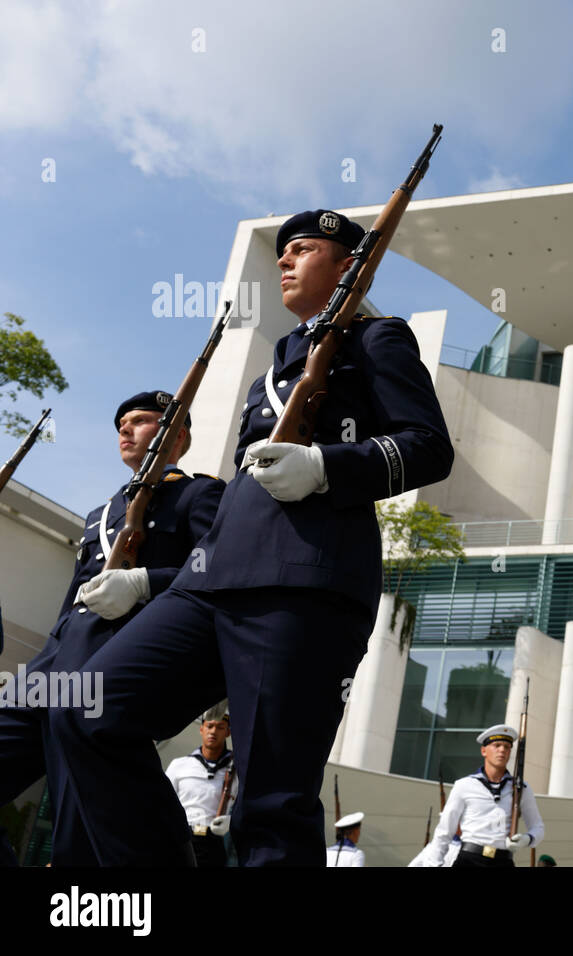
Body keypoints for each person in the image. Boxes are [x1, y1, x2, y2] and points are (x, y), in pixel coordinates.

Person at [51, 209, 455, 865]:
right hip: (209, 582)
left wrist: (328, 467)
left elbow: (429, 448)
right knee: (88, 716)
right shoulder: (280, 359)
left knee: (272, 802)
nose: (284, 262)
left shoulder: (377, 339)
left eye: (302, 249)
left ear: (348, 262)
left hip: (300, 583)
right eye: (281, 253)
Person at [0, 391, 223, 865]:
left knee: (80, 813)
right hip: (53, 668)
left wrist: (146, 582)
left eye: (141, 421)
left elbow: (217, 567)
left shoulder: (198, 494)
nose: (125, 429)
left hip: (111, 665)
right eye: (121, 423)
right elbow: (74, 601)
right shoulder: (100, 514)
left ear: (177, 435)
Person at [427, 725, 543, 868]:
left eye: (507, 747)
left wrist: (527, 839)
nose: (502, 750)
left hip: (503, 861)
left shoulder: (521, 789)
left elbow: (538, 827)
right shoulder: (464, 785)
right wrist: (434, 864)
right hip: (469, 860)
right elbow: (444, 832)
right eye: (497, 745)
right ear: (483, 751)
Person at [164, 703, 239, 867]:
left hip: (218, 842)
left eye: (220, 727)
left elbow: (245, 805)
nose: (213, 732)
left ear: (228, 732)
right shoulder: (180, 765)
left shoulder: (237, 769)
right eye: (209, 726)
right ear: (201, 729)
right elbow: (163, 805)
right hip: (185, 838)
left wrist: (231, 821)